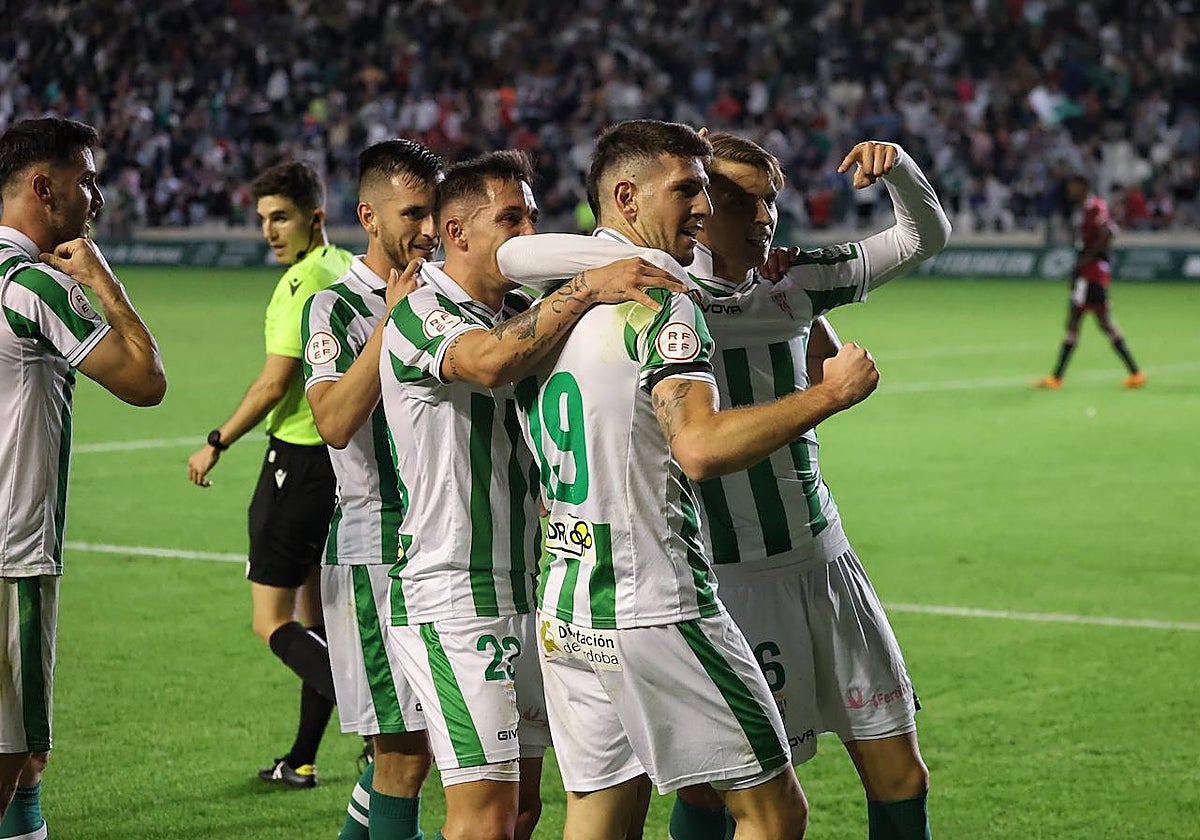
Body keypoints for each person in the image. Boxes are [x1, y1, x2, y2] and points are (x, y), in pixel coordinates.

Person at [501, 119, 880, 840]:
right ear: (626, 196)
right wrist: (826, 396)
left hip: (568, 604)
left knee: (599, 817)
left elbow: (511, 250)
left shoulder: (549, 299)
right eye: (686, 189)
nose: (704, 207)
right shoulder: (661, 302)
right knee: (774, 813)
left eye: (707, 188)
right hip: (656, 605)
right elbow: (700, 448)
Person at [378, 149, 682, 840]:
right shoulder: (419, 311)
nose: (529, 233)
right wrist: (583, 289)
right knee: (483, 819)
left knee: (521, 811)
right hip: (451, 593)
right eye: (510, 218)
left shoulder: (527, 309)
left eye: (534, 216)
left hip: (537, 588)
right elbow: (487, 363)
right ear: (457, 234)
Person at [0, 116, 166, 838]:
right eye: (86, 180)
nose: (95, 196)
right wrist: (106, 283)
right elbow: (145, 380)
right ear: (44, 188)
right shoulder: (34, 285)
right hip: (12, 559)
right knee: (12, 758)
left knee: (26, 759)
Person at [186, 161, 353, 787]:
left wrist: (216, 441)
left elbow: (273, 381)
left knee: (271, 620)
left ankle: (375, 713)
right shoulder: (347, 271)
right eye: (262, 220)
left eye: (280, 218)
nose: (269, 232)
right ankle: (303, 759)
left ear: (314, 217)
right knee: (317, 619)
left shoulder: (303, 285)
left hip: (296, 464)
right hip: (341, 465)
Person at [301, 138, 442, 840]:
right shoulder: (334, 307)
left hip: (450, 544)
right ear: (370, 215)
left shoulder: (448, 295)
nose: (427, 229)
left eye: (435, 211)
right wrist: (393, 318)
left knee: (434, 749)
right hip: (377, 551)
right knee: (404, 757)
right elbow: (332, 420)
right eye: (413, 212)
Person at [1036, 174, 1145, 389]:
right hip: (1086, 276)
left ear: (1083, 187)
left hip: (1092, 276)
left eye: (1073, 187)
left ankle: (1058, 378)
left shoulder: (1095, 206)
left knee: (1088, 322)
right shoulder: (1085, 209)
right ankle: (1057, 377)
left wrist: (1088, 259)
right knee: (1085, 322)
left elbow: (1109, 231)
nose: (1070, 191)